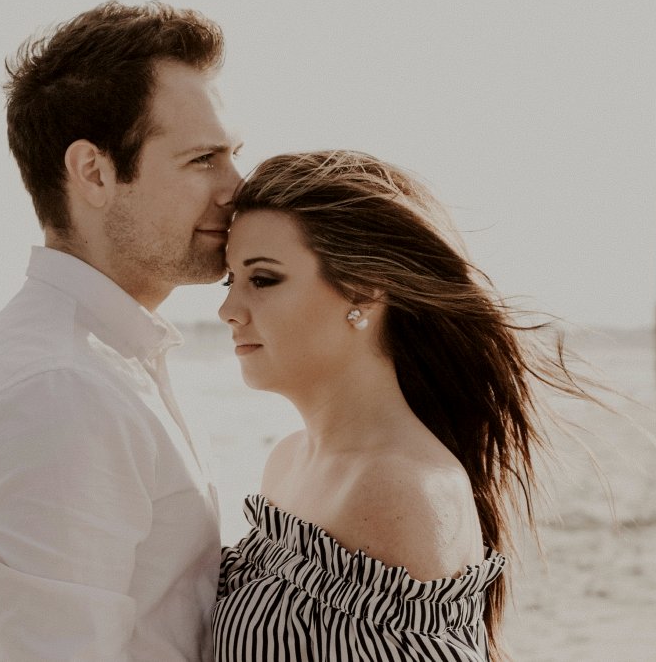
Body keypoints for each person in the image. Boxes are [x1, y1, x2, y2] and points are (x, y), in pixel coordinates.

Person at [0, 1, 243, 661]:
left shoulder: (110, 361)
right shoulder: (58, 388)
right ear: (94, 173)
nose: (237, 186)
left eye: (233, 154)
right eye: (203, 159)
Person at [214, 150, 598, 661]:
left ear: (364, 289)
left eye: (262, 279)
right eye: (229, 281)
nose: (227, 311)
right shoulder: (289, 461)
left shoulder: (398, 487)